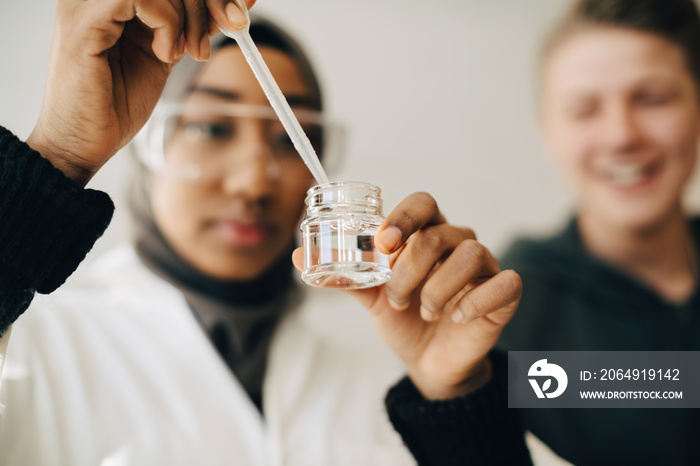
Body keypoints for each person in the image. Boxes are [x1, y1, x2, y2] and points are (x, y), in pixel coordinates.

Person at [0, 0, 523, 464]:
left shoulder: (391, 354)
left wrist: (457, 402)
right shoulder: (32, 339)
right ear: (146, 144)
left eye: (290, 138)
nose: (254, 182)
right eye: (212, 127)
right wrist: (60, 153)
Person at [385, 0, 700, 465]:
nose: (621, 135)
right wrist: (452, 394)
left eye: (651, 98)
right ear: (548, 132)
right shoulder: (500, 314)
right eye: (584, 108)